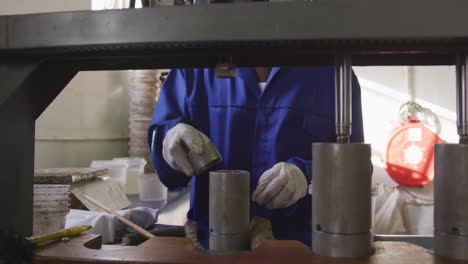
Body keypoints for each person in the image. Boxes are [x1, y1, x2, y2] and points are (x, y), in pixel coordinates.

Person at [149, 66, 364, 247]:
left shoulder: (331, 72)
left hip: (299, 248)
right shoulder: (196, 67)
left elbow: (355, 172)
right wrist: (170, 139)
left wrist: (308, 176)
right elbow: (169, 173)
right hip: (214, 246)